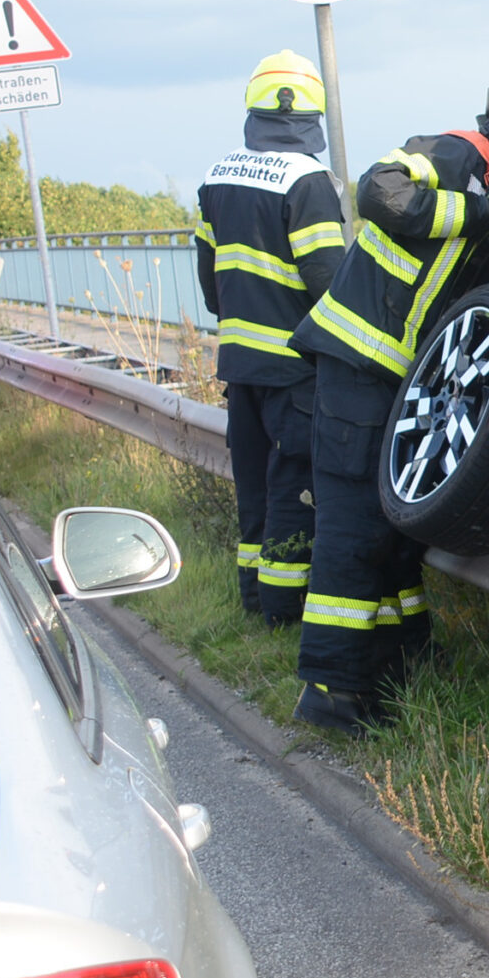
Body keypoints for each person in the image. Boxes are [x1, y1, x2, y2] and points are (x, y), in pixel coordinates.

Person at [287, 76, 489, 732]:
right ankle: (330, 692)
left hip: (403, 383)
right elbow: (379, 190)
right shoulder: (463, 154)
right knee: (353, 531)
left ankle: (398, 669)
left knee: (393, 535)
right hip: (357, 362)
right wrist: (476, 213)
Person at [196, 51, 346, 626]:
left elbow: (210, 282)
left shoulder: (216, 177)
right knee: (293, 483)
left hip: (240, 363)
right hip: (293, 367)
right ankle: (283, 611)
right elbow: (328, 281)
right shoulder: (307, 180)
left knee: (253, 485)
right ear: (312, 115)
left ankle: (253, 601)